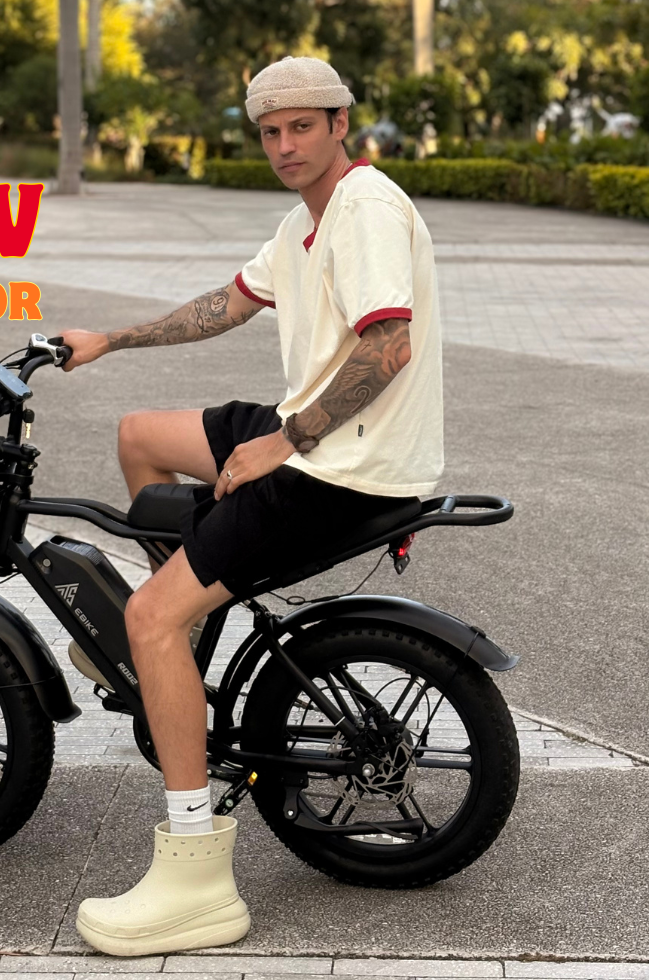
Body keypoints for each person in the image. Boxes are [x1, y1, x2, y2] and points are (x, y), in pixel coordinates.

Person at [57, 55, 444, 956]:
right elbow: (227, 305)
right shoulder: (304, 220)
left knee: (146, 617)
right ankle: (183, 646)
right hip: (316, 434)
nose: (284, 145)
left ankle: (195, 879)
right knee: (140, 437)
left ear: (340, 123)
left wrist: (286, 441)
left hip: (343, 466)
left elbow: (389, 347)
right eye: (270, 132)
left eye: (301, 126)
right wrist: (110, 339)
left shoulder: (366, 207)